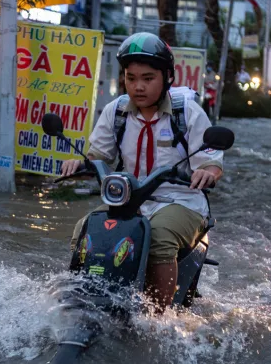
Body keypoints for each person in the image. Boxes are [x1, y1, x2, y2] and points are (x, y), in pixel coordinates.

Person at [60, 33, 224, 312]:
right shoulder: (116, 112)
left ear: (167, 77)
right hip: (130, 200)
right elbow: (98, 155)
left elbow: (211, 163)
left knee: (159, 236)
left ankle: (157, 318)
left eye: (148, 79)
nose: (138, 86)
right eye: (131, 77)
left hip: (181, 200)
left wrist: (207, 172)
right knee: (85, 228)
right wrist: (80, 164)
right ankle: (76, 303)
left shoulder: (189, 114)